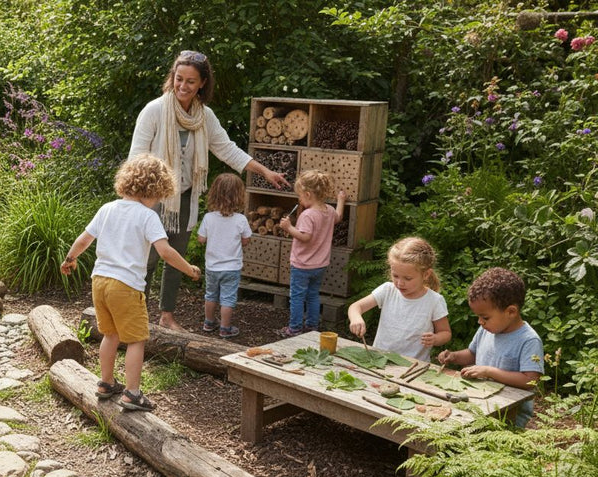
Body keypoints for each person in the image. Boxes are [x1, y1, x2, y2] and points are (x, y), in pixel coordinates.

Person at [129, 49, 289, 332]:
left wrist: (265, 171)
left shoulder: (205, 117)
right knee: (149, 258)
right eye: (179, 79)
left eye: (190, 81)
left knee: (175, 258)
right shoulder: (154, 111)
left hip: (186, 197)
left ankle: (166, 317)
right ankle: (134, 314)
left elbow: (227, 149)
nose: (183, 86)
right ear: (172, 78)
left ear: (202, 83)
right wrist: (134, 203)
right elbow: (136, 159)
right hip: (151, 198)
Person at [61, 154, 200, 412]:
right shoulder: (147, 217)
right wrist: (189, 269)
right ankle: (133, 394)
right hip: (125, 287)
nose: (158, 200)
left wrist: (70, 259)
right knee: (136, 339)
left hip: (99, 282)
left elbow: (84, 239)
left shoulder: (107, 209)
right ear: (154, 189)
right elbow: (166, 251)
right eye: (159, 195)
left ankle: (105, 383)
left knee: (110, 334)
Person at [438, 268, 543, 428]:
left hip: (509, 414)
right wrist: (453, 356)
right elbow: (472, 354)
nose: (480, 322)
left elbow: (530, 380)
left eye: (485, 317)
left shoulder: (529, 340)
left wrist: (488, 371)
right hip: (480, 402)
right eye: (478, 317)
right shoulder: (487, 329)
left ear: (511, 311)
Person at [347, 237, 451, 361]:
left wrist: (435, 339)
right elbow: (355, 307)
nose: (400, 283)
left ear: (426, 274)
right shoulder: (387, 290)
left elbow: (445, 333)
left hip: (413, 366)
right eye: (395, 276)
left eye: (407, 278)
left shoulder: (434, 301)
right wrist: (356, 318)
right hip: (380, 359)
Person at [277, 170, 346, 337]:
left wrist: (289, 228)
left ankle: (294, 328)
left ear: (308, 194)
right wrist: (341, 200)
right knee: (313, 295)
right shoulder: (328, 210)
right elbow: (338, 216)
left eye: (300, 196)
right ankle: (312, 326)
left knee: (297, 297)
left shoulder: (307, 215)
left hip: (302, 265)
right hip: (320, 264)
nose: (299, 200)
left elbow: (305, 237)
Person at [196, 173, 251, 338]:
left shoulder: (208, 218)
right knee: (228, 298)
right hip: (232, 268)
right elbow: (246, 240)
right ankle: (225, 328)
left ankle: (209, 322)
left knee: (211, 294)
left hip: (213, 266)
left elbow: (200, 239)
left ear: (214, 194)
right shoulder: (241, 220)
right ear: (239, 196)